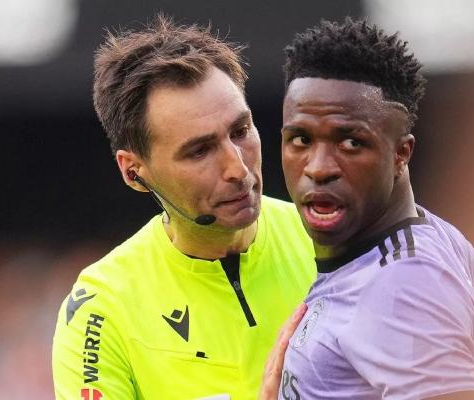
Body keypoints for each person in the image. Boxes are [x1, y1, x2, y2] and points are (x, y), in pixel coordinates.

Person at [260, 18, 474, 400]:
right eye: (300, 139)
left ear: (401, 153)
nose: (319, 167)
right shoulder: (431, 236)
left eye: (351, 143)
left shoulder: (402, 284)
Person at [51, 16, 316, 399]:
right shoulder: (101, 310)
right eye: (199, 151)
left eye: (241, 131)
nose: (237, 169)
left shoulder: (333, 243)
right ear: (133, 172)